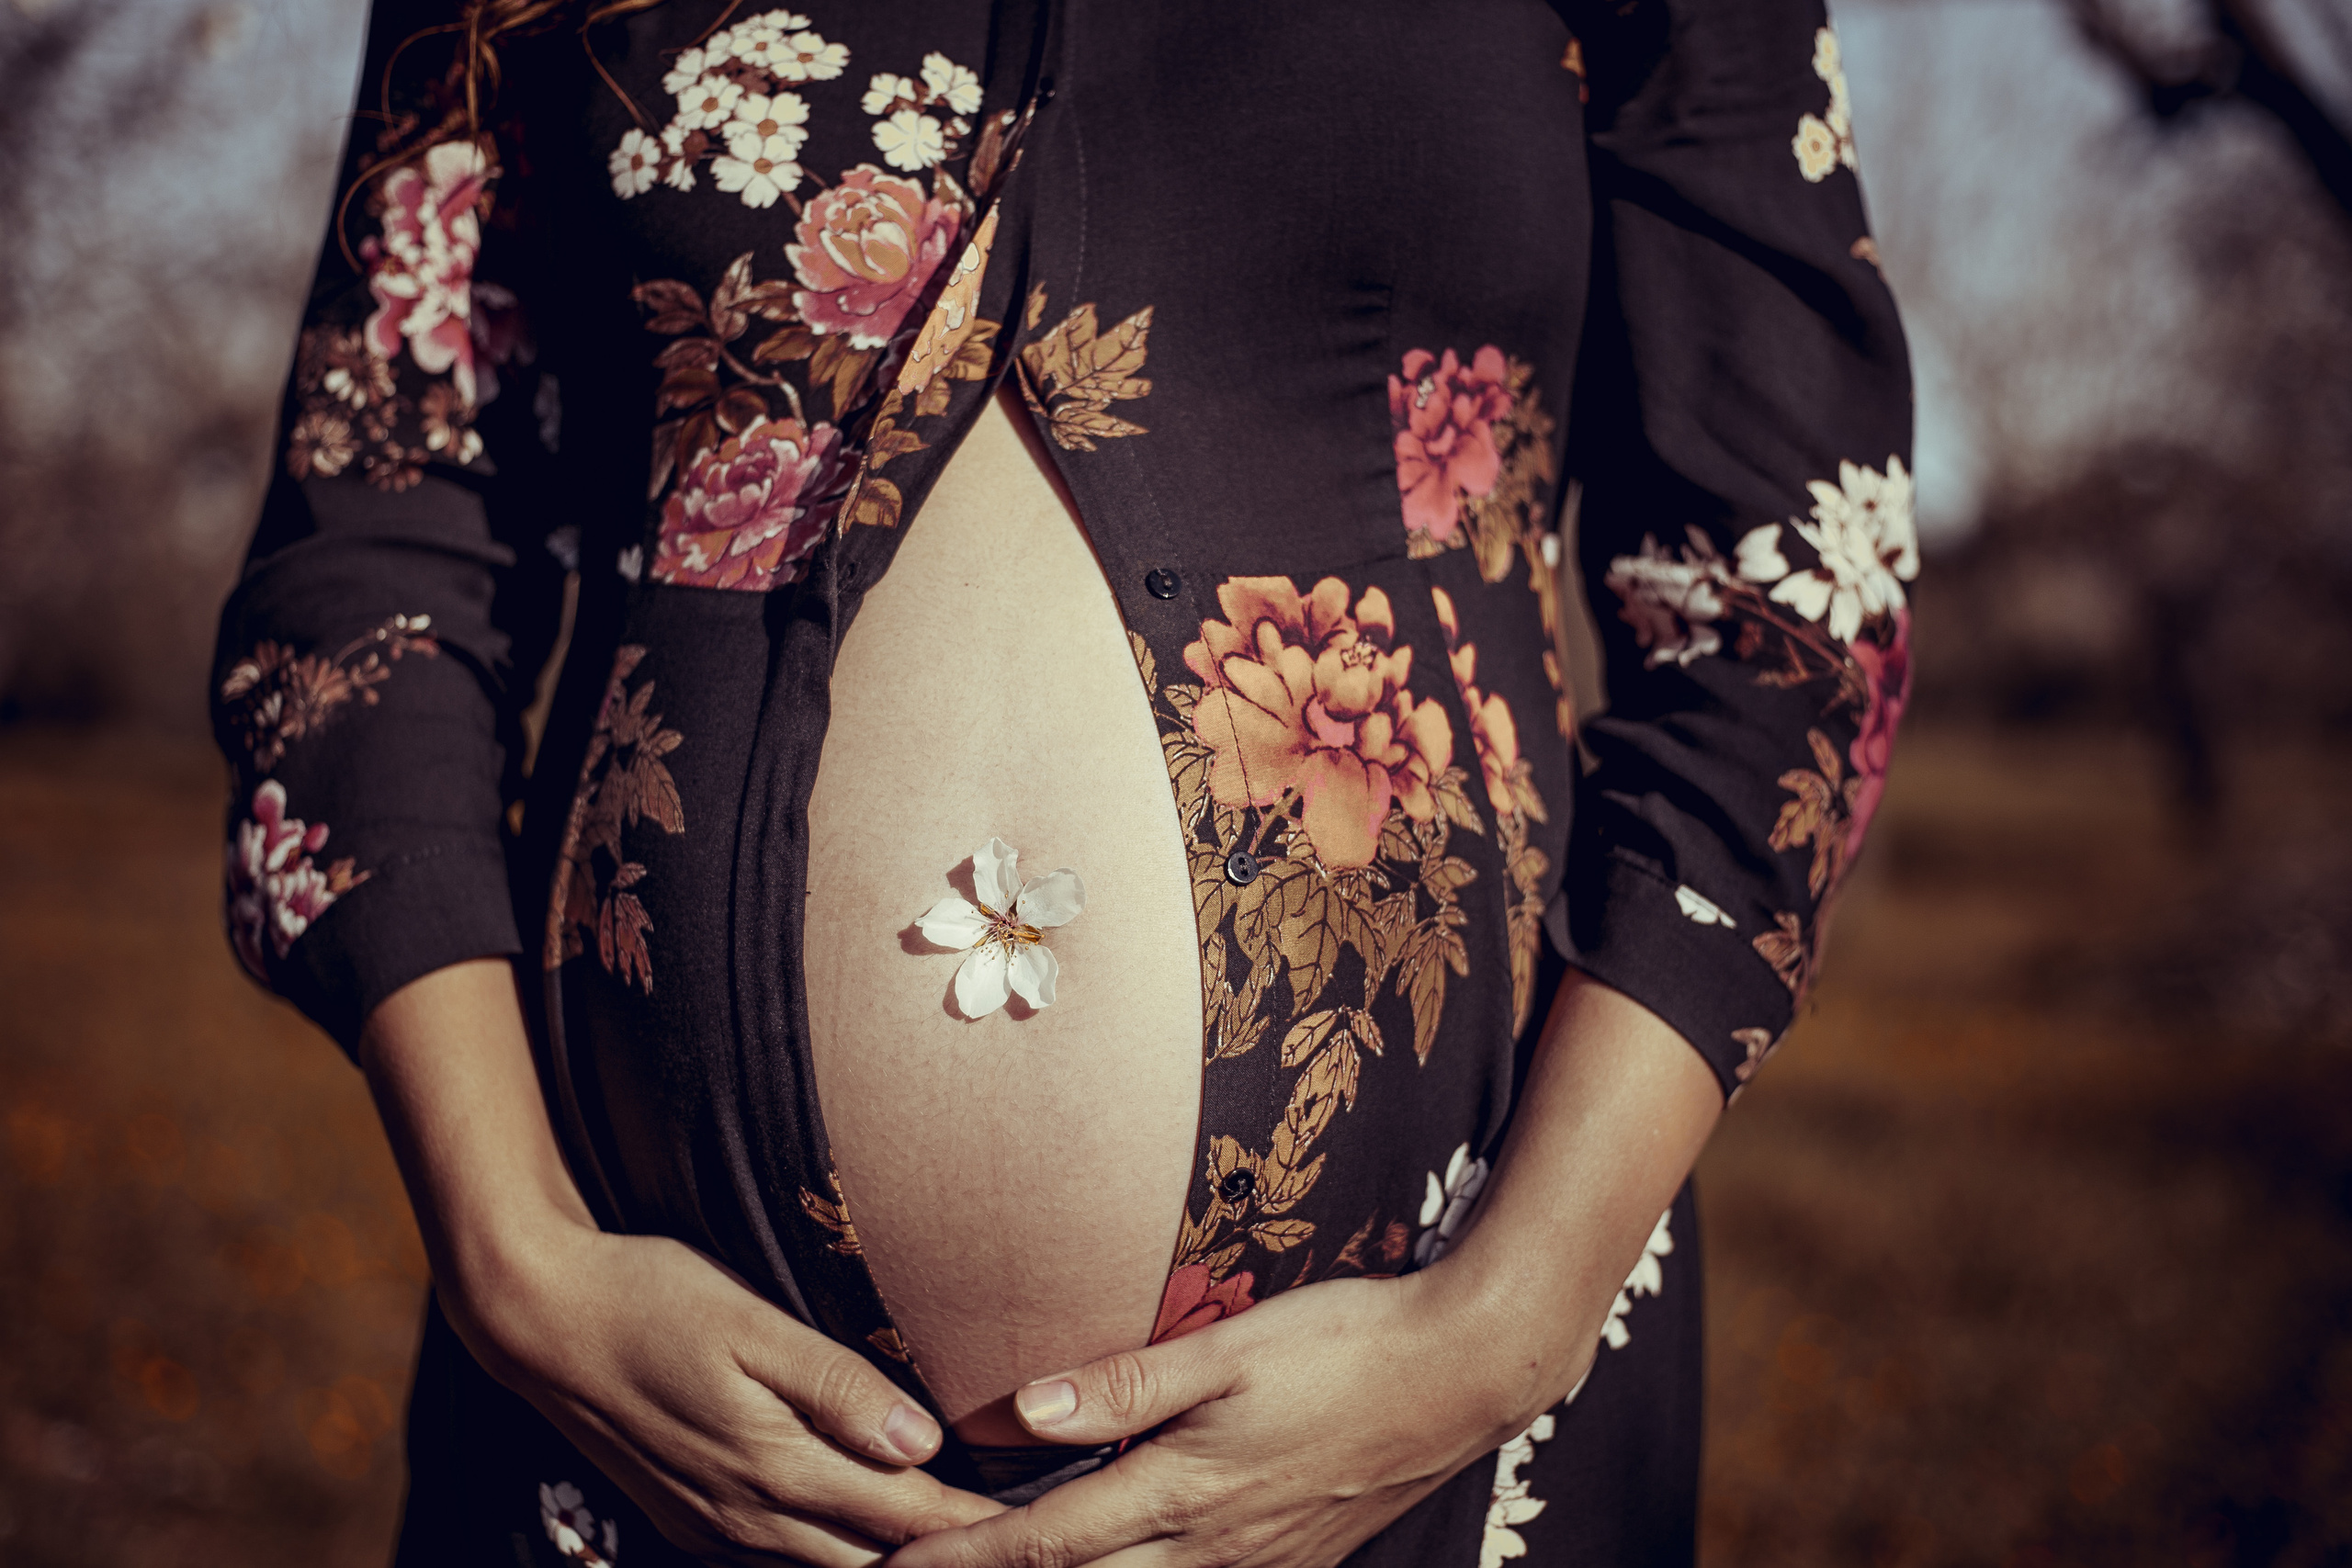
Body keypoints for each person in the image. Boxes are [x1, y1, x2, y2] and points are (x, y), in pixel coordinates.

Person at [212, 0, 1916, 1562]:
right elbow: (371, 550)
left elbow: (1783, 605)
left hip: (1434, 1442)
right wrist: (515, 1256)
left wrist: (1507, 1322)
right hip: (633, 1453)